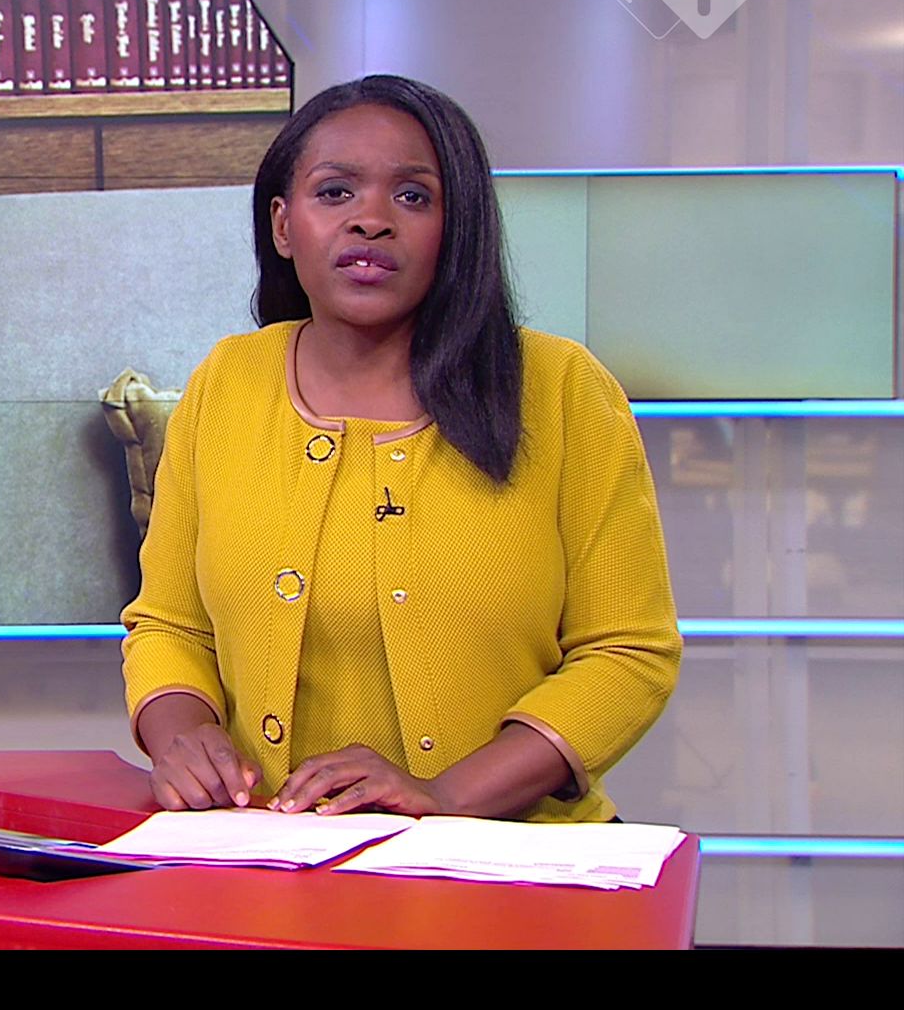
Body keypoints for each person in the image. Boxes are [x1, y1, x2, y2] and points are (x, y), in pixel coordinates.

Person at [120, 75, 680, 824]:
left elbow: (628, 652)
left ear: (459, 229)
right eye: (335, 193)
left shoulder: (561, 391)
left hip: (514, 861)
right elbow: (169, 624)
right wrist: (184, 739)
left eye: (413, 197)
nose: (371, 221)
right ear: (283, 225)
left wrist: (448, 795)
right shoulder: (227, 381)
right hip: (272, 853)